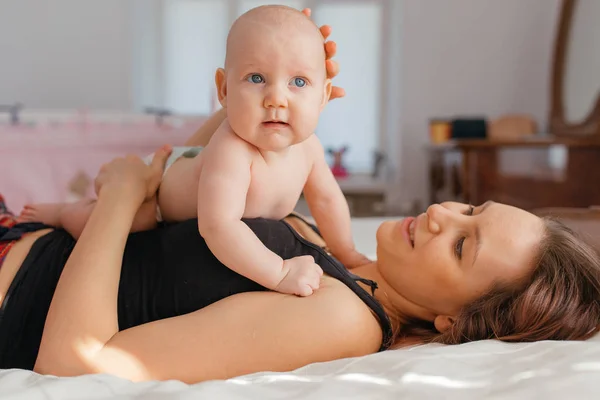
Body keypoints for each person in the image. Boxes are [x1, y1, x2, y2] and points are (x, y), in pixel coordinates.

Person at [0, 14, 598, 385]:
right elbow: (200, 176)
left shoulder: (342, 318)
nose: (443, 215)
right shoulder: (350, 267)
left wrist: (117, 199)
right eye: (470, 209)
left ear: (455, 322)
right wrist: (277, 82)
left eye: (463, 245)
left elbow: (78, 365)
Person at [18, 5, 369, 297]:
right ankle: (63, 211)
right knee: (103, 222)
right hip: (158, 195)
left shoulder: (309, 148)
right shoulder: (233, 150)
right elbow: (219, 227)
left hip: (189, 161)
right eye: (257, 78)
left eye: (299, 82)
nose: (277, 98)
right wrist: (277, 273)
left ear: (323, 97)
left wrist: (347, 252)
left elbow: (326, 200)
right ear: (224, 88)